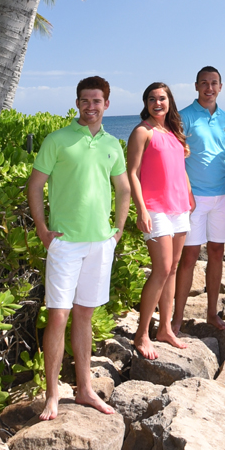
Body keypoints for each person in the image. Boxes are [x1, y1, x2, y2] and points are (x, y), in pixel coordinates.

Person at [27, 76, 130, 420]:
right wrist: (42, 229)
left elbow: (124, 188)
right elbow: (35, 185)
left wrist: (117, 231)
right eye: (85, 100)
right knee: (58, 315)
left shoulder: (112, 144)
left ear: (106, 104)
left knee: (85, 314)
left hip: (100, 243)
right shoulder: (57, 139)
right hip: (65, 243)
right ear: (77, 104)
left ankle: (85, 390)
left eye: (97, 101)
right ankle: (52, 395)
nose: (90, 106)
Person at [127, 81, 195, 359]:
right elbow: (132, 173)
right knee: (162, 268)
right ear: (146, 103)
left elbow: (180, 167)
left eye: (162, 98)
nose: (158, 103)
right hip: (155, 208)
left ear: (169, 102)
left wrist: (189, 195)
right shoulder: (142, 132)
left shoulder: (174, 132)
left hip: (179, 207)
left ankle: (165, 329)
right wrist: (141, 209)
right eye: (152, 99)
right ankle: (142, 334)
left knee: (173, 268)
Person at [172, 66, 225, 332]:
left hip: (222, 195)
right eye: (204, 83)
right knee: (188, 257)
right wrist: (185, 194)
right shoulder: (183, 116)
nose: (209, 88)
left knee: (217, 253)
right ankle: (177, 318)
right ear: (196, 86)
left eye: (214, 83)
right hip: (194, 197)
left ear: (220, 87)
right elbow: (177, 158)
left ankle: (212, 314)